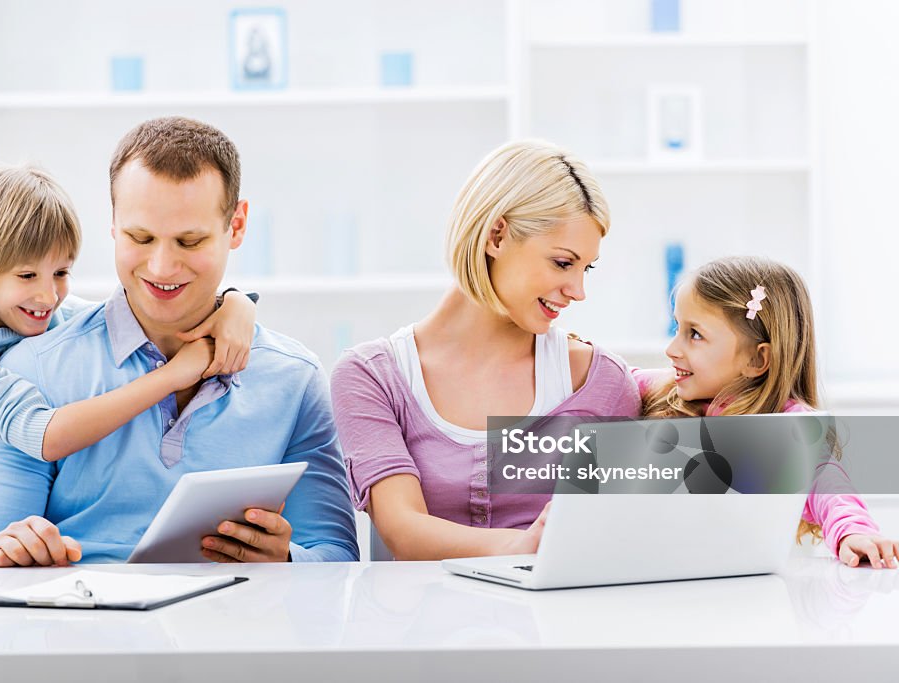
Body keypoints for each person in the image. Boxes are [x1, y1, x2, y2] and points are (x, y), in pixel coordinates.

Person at [0, 116, 358, 566]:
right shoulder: (33, 370)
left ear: (235, 227)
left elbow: (337, 559)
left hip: (231, 631)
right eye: (141, 237)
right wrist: (7, 560)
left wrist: (288, 560)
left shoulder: (293, 380)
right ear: (115, 224)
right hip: (78, 630)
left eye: (189, 240)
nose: (161, 267)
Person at [0, 165, 258, 567]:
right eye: (27, 274)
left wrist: (238, 304)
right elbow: (45, 436)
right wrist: (172, 375)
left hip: (0, 560)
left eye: (61, 272)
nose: (49, 294)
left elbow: (119, 315)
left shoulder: (42, 312)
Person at [330, 140, 640, 561]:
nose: (579, 291)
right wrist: (524, 546)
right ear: (497, 236)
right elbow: (403, 530)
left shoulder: (598, 382)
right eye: (563, 263)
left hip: (556, 627)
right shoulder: (371, 377)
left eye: (587, 268)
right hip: (419, 626)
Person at [638, 256, 898, 569]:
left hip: (741, 588)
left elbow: (826, 483)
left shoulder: (788, 428)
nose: (672, 349)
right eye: (678, 328)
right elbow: (608, 375)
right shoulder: (664, 389)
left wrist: (853, 531)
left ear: (757, 360)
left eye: (695, 334)